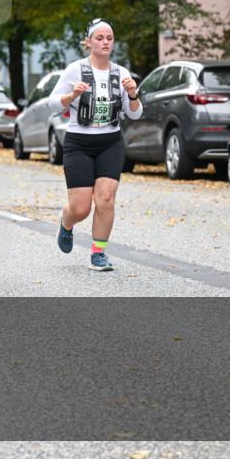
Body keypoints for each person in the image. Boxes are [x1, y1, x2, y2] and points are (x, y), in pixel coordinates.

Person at [48, 19, 142, 271]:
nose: (105, 42)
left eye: (109, 38)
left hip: (110, 142)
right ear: (88, 42)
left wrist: (133, 95)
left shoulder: (121, 73)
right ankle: (66, 223)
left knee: (106, 198)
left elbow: (134, 114)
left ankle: (98, 254)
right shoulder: (74, 70)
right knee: (80, 208)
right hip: (79, 142)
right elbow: (53, 104)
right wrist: (72, 96)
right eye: (99, 38)